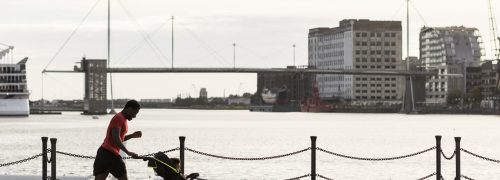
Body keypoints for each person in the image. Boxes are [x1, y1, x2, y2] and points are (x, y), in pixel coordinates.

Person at [93, 100, 142, 180]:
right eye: (134, 113)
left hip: (102, 153)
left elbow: (118, 138)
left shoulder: (121, 118)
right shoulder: (119, 118)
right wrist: (128, 152)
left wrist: (132, 136)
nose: (134, 116)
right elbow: (116, 138)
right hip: (111, 154)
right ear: (129, 109)